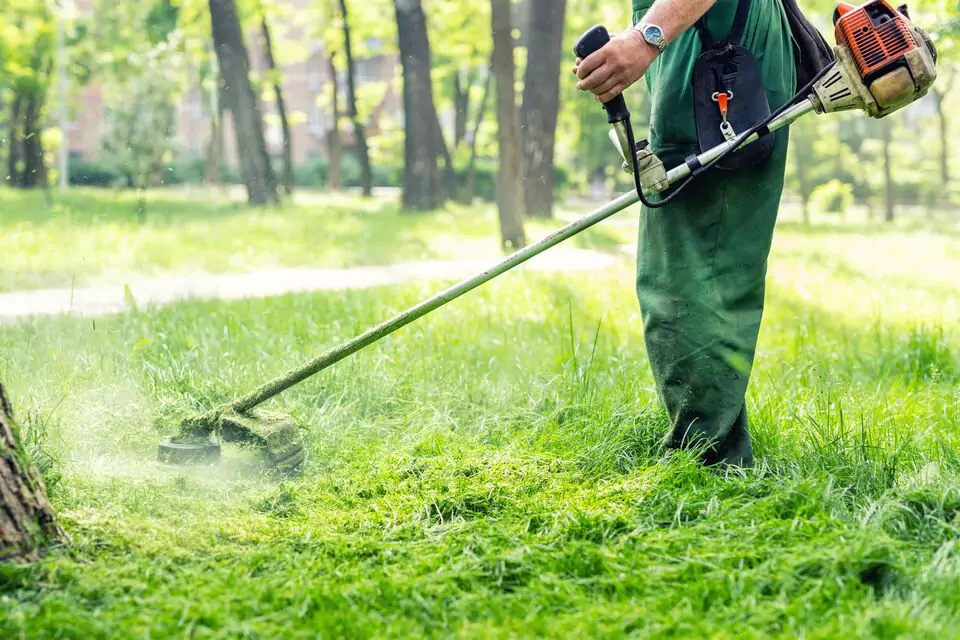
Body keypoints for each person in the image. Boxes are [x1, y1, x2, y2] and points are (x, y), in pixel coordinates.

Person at [573, 0, 796, 467]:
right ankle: (714, 447)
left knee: (693, 265)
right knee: (689, 262)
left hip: (716, 45)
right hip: (701, 36)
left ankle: (709, 459)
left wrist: (645, 37)